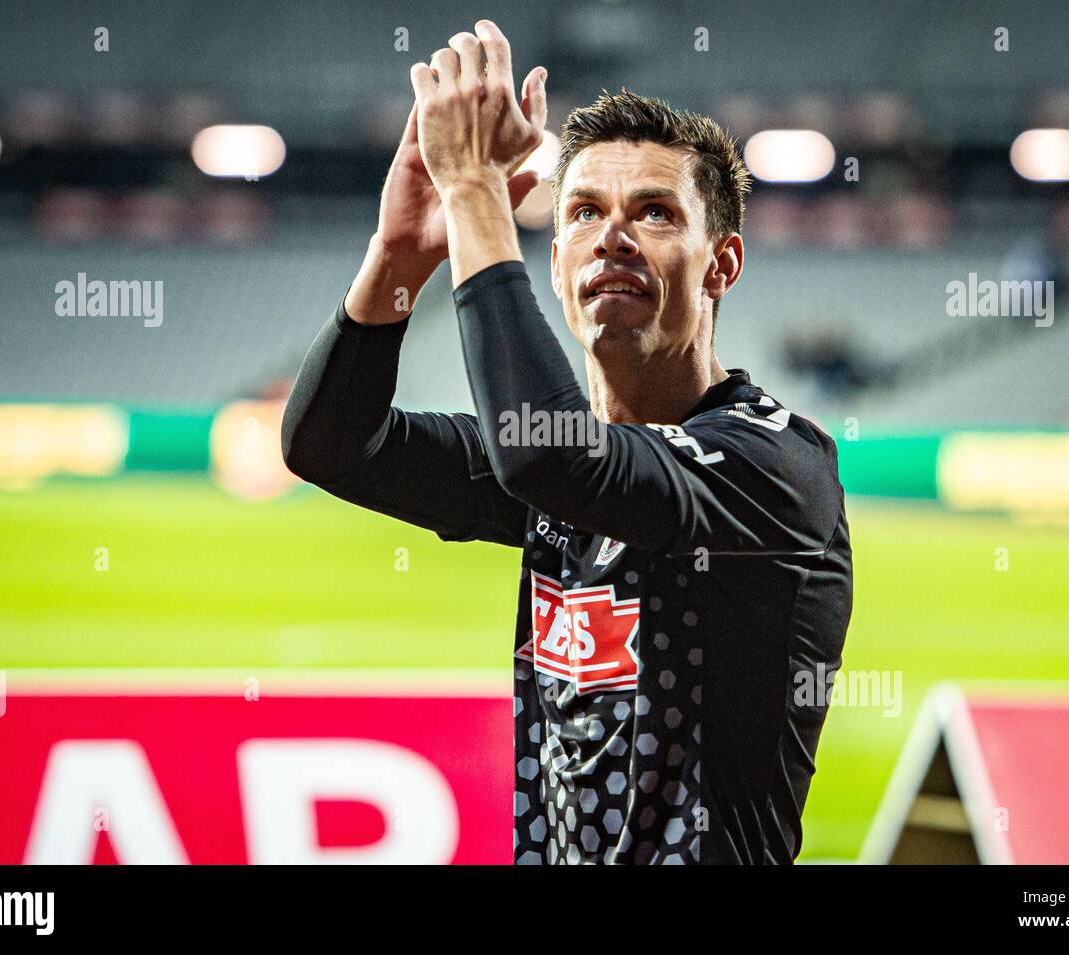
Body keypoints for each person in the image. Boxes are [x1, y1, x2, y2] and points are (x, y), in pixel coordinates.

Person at [282, 20, 852, 864]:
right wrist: (400, 254)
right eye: (583, 211)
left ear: (722, 265)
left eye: (655, 212)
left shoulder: (773, 467)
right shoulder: (566, 473)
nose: (612, 235)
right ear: (554, 265)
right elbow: (330, 445)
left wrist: (476, 191)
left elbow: (552, 459)